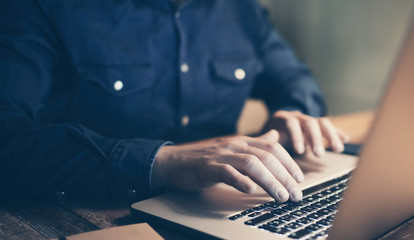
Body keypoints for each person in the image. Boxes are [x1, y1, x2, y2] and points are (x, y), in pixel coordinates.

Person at [0, 0, 348, 203]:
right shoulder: (42, 8)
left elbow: (296, 80)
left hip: (227, 200)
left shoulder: (240, 11)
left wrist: (294, 114)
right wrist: (161, 162)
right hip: (94, 208)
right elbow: (6, 137)